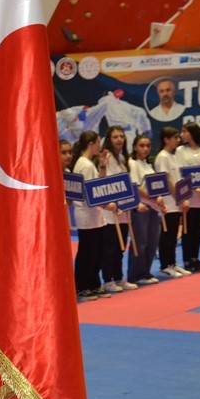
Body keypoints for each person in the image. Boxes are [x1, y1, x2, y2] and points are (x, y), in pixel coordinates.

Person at [70, 132, 110, 300]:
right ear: (92, 143)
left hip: (94, 214)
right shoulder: (84, 164)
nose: (99, 146)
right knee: (87, 252)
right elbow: (90, 193)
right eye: (98, 142)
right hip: (87, 214)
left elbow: (98, 186)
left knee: (96, 252)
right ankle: (82, 286)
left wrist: (102, 166)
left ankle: (93, 284)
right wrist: (107, 204)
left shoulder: (88, 164)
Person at [99, 126, 136, 293]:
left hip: (123, 209)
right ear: (109, 139)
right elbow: (105, 182)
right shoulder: (105, 157)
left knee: (121, 247)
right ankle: (107, 280)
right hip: (110, 211)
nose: (119, 139)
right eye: (115, 137)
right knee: (110, 247)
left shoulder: (122, 158)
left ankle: (119, 277)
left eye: (121, 136)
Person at [176, 123, 200, 272]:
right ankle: (187, 260)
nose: (182, 134)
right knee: (188, 230)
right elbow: (180, 174)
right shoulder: (180, 151)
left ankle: (194, 257)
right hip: (188, 197)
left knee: (198, 230)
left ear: (193, 133)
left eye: (185, 131)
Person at [126, 134, 161, 286]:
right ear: (134, 147)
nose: (145, 149)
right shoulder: (132, 163)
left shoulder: (148, 165)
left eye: (148, 146)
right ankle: (135, 274)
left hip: (153, 207)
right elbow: (136, 187)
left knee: (152, 241)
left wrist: (159, 200)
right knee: (140, 242)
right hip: (140, 207)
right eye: (142, 145)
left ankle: (146, 271)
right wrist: (153, 198)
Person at [154, 127, 189, 277]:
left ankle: (173, 263)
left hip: (176, 203)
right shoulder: (162, 157)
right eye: (175, 137)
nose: (178, 140)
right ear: (166, 139)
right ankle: (165, 265)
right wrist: (179, 198)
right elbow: (166, 180)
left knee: (174, 235)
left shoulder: (172, 156)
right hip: (168, 202)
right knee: (167, 235)